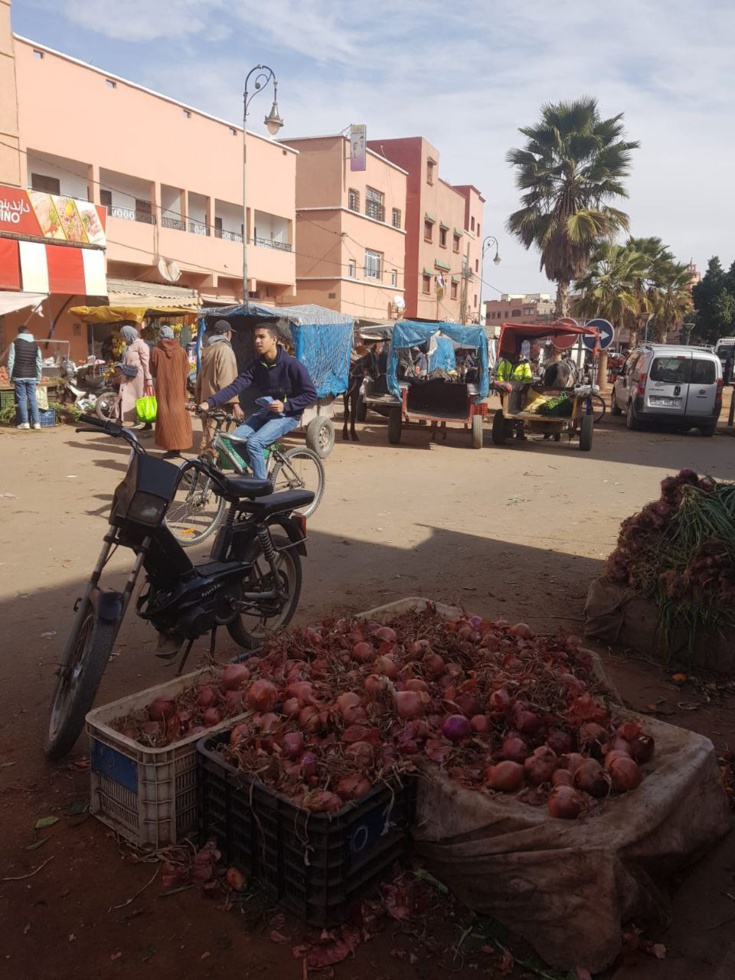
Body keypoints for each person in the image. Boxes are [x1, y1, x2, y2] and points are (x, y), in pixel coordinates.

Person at [198, 323, 317, 480]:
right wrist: (209, 403)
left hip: (288, 415)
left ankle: (261, 488)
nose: (257, 341)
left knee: (254, 443)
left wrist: (286, 405)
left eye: (262, 337)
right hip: (266, 411)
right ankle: (261, 474)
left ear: (274, 339)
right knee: (235, 440)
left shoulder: (292, 365)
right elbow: (234, 387)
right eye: (255, 337)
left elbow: (310, 394)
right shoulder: (257, 365)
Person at [194, 319, 241, 452]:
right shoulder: (225, 350)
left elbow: (199, 379)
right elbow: (227, 381)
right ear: (228, 334)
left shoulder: (208, 349)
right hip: (220, 404)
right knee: (214, 444)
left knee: (210, 438)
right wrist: (235, 404)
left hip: (207, 402)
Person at [150, 326, 192, 458]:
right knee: (179, 417)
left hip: (163, 390)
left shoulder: (156, 351)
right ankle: (178, 447)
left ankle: (170, 447)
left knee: (166, 418)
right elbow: (186, 370)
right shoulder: (181, 351)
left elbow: (152, 371)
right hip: (178, 390)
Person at [116, 324, 153, 426]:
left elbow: (146, 362)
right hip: (128, 376)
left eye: (124, 336)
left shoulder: (141, 345)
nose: (123, 338)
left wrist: (148, 378)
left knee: (140, 399)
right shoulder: (129, 346)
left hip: (138, 377)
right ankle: (132, 419)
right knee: (129, 398)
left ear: (129, 335)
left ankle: (146, 422)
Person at [8, 325, 42, 430]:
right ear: (28, 332)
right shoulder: (36, 345)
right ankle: (37, 423)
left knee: (22, 399)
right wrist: (38, 377)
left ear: (19, 333)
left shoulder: (15, 344)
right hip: (32, 376)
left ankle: (25, 423)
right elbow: (39, 362)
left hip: (19, 376)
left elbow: (11, 362)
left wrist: (10, 377)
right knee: (32, 399)